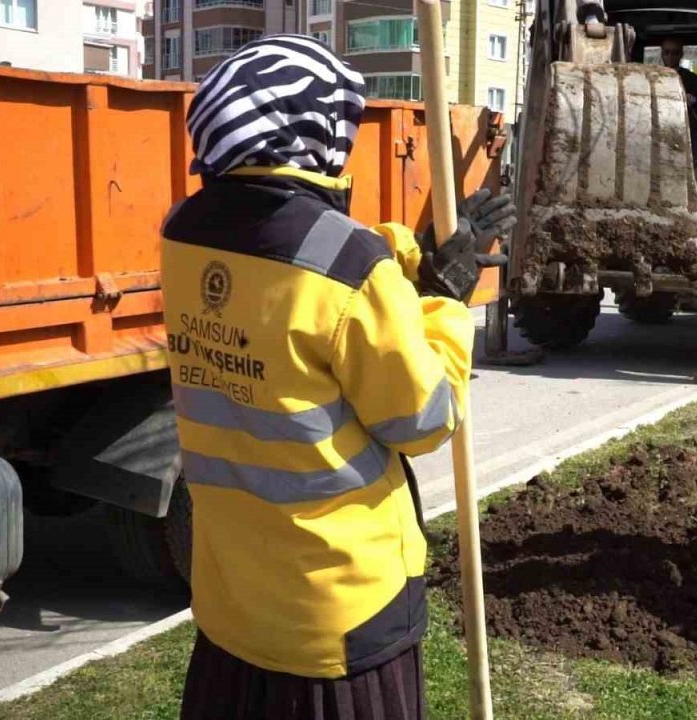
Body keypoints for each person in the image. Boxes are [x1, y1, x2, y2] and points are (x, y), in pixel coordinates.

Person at [159, 35, 514, 719]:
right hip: (339, 625)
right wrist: (445, 297)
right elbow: (423, 421)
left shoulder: (183, 233)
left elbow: (304, 269)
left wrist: (413, 253)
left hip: (233, 609)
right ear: (319, 132)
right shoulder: (350, 266)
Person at [660, 37, 697, 160]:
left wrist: (692, 100)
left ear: (681, 55)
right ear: (662, 54)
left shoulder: (692, 79)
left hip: (685, 135)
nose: (670, 57)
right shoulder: (655, 77)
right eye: (667, 52)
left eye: (675, 53)